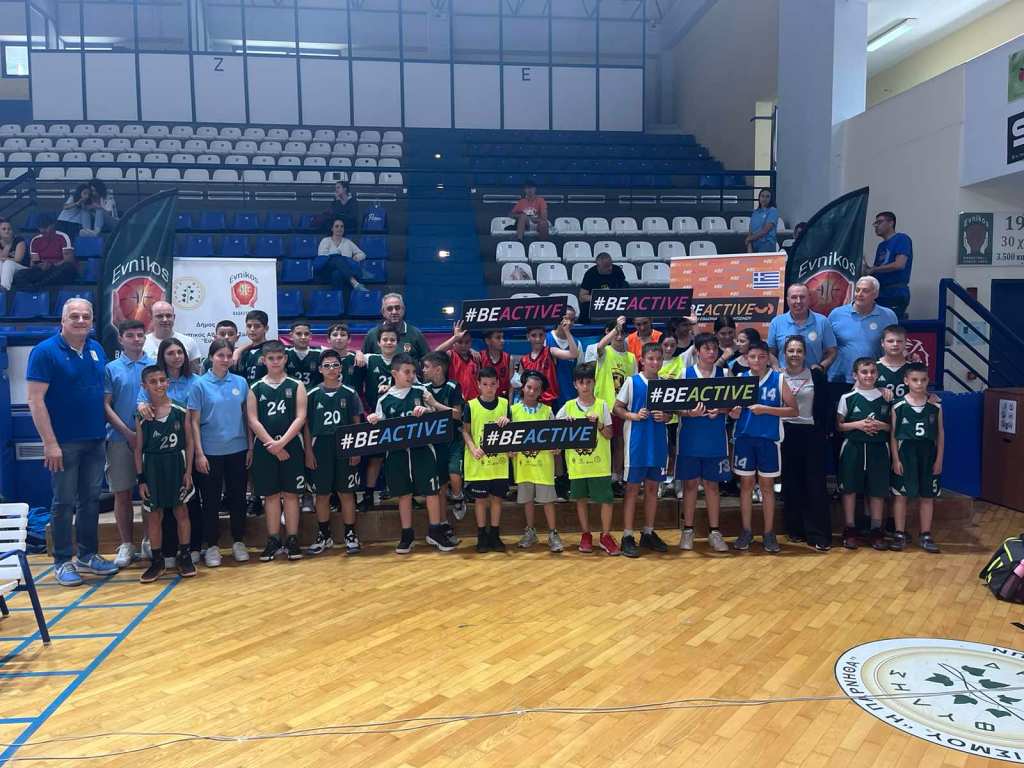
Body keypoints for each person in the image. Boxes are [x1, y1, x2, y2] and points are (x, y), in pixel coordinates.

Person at [26, 298, 119, 586]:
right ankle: (63, 560)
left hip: (95, 439)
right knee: (64, 502)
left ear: (92, 321)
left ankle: (88, 555)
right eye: (74, 316)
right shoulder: (45, 352)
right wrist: (50, 443)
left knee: (90, 501)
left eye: (86, 316)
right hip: (63, 443)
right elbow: (35, 401)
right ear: (62, 320)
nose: (81, 321)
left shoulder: (96, 349)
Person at [370, 353, 456, 554]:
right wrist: (374, 420)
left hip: (423, 450)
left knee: (431, 491)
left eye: (413, 372)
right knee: (403, 494)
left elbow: (439, 418)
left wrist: (427, 412)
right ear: (394, 373)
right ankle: (406, 534)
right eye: (406, 372)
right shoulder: (384, 399)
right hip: (397, 454)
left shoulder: (422, 391)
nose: (411, 376)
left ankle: (435, 530)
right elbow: (380, 428)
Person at [189, 338, 252, 567]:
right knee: (211, 501)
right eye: (220, 355)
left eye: (228, 355)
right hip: (210, 452)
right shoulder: (199, 385)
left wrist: (250, 446)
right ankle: (212, 545)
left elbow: (247, 417)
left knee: (238, 498)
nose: (225, 360)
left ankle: (238, 541)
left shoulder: (241, 382)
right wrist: (199, 453)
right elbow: (194, 422)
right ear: (211, 357)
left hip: (238, 449)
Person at [731, 341, 798, 554]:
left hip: (768, 440)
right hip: (744, 439)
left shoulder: (778, 379)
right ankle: (746, 531)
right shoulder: (740, 379)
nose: (757, 361)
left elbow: (794, 410)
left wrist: (766, 409)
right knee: (746, 485)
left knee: (767, 487)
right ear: (746, 359)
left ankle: (769, 533)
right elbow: (732, 410)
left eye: (761, 356)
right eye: (753, 357)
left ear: (768, 358)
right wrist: (733, 412)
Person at [138, 337, 201, 562]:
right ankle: (164, 554)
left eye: (179, 352)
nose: (176, 357)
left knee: (185, 507)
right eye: (170, 353)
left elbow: (192, 431)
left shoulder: (195, 383)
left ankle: (189, 551)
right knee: (159, 512)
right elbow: (138, 445)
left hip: (184, 455)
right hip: (156, 461)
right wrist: (140, 477)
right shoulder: (147, 399)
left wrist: (191, 465)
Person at [247, 340, 308, 562]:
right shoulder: (255, 387)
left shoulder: (296, 385)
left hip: (291, 445)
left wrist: (281, 443)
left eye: (279, 358)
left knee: (291, 494)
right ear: (263, 360)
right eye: (271, 358)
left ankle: (292, 539)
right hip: (265, 447)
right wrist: (272, 445)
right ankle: (273, 540)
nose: (275, 362)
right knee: (271, 495)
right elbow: (253, 420)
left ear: (285, 359)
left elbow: (301, 417)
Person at [303, 348, 364, 555]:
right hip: (320, 447)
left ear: (341, 368)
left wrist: (356, 449)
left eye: (335, 365)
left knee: (346, 492)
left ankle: (350, 534)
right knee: (322, 494)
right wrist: (308, 452)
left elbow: (356, 423)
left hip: (345, 445)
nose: (331, 369)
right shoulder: (311, 394)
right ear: (320, 369)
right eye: (327, 366)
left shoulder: (350, 393)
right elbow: (306, 426)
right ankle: (324, 535)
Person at [676, 332, 733, 553]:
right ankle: (688, 530)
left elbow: (734, 406)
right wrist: (688, 413)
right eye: (706, 348)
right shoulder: (685, 373)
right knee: (690, 485)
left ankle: (714, 532)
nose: (711, 352)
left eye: (714, 348)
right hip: (690, 439)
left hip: (715, 439)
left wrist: (721, 409)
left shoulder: (725, 374)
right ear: (697, 351)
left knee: (712, 485)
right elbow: (675, 407)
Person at [103, 319, 152, 568]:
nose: (136, 339)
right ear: (121, 339)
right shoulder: (111, 368)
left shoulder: (155, 365)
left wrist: (143, 435)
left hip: (151, 442)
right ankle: (126, 544)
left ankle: (149, 540)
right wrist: (128, 432)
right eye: (130, 335)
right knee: (122, 493)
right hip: (120, 439)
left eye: (140, 335)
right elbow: (106, 405)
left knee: (149, 493)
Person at [614, 342, 670, 558]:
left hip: (657, 443)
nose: (655, 362)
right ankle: (627, 535)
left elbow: (671, 413)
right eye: (651, 359)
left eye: (659, 359)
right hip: (636, 443)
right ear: (642, 360)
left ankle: (648, 532)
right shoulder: (632, 381)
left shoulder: (665, 384)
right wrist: (633, 416)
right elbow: (617, 408)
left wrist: (666, 416)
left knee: (652, 488)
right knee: (632, 489)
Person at [557, 363, 619, 555]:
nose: (585, 386)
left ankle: (605, 535)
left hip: (600, 465)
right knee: (581, 499)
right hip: (578, 466)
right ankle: (586, 534)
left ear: (594, 383)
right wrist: (564, 426)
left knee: (606, 500)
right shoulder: (568, 407)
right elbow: (555, 433)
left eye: (588, 382)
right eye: (581, 383)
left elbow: (609, 434)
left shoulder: (602, 405)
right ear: (575, 384)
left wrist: (599, 424)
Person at [779, 335, 832, 552]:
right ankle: (795, 529)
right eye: (791, 351)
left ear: (805, 354)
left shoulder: (816, 376)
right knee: (791, 483)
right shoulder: (777, 376)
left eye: (799, 351)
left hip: (811, 434)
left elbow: (825, 406)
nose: (795, 355)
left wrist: (824, 432)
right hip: (785, 433)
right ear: (784, 353)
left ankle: (818, 534)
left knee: (814, 484)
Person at [836, 357, 891, 551]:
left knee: (877, 490)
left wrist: (881, 425)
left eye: (872, 372)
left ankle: (876, 530)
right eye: (864, 372)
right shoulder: (847, 397)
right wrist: (858, 425)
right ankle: (850, 529)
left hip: (878, 448)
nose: (869, 375)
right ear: (855, 375)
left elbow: (892, 426)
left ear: (877, 374)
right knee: (849, 489)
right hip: (853, 447)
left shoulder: (886, 397)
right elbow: (839, 425)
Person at [890, 362, 943, 554]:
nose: (919, 384)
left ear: (928, 380)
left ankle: (926, 534)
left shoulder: (935, 406)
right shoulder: (898, 406)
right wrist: (896, 460)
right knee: (901, 495)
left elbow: (940, 434)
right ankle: (899, 533)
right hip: (906, 453)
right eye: (915, 380)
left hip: (928, 453)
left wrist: (939, 459)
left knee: (927, 496)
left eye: (923, 380)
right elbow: (893, 435)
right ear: (906, 381)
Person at [512, 372, 563, 553]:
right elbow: (508, 438)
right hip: (523, 465)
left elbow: (556, 437)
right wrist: (509, 450)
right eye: (529, 387)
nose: (532, 391)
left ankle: (553, 533)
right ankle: (530, 531)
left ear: (541, 391)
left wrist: (557, 448)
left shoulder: (547, 411)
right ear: (523, 387)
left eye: (536, 389)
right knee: (527, 501)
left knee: (548, 501)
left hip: (543, 465)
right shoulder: (513, 411)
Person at [462, 367, 511, 553]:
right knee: (480, 501)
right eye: (485, 384)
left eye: (492, 384)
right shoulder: (471, 405)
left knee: (497, 499)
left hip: (499, 463)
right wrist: (473, 448)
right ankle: (482, 535)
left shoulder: (505, 405)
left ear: (498, 384)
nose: (489, 388)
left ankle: (495, 534)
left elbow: (512, 432)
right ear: (478, 385)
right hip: (479, 463)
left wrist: (508, 423)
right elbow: (465, 431)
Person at [586, 316, 636, 493]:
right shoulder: (604, 352)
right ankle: (600, 476)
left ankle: (616, 478)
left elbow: (634, 383)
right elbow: (599, 347)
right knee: (602, 443)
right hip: (603, 406)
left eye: (623, 333)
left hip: (622, 408)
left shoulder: (631, 357)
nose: (619, 337)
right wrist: (616, 328)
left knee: (620, 443)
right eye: (616, 333)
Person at [421, 351, 467, 531]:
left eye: (426, 367)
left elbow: (457, 414)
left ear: (438, 369)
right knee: (440, 486)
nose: (423, 370)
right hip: (434, 443)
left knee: (454, 474)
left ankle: (458, 496)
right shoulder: (423, 387)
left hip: (453, 439)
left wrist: (435, 404)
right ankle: (443, 523)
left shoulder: (453, 386)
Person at [355, 323, 399, 511]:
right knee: (375, 458)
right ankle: (368, 494)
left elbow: (413, 383)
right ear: (378, 342)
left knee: (398, 457)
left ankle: (403, 493)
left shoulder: (404, 361)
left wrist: (392, 388)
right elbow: (348, 354)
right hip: (374, 416)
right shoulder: (369, 358)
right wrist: (357, 352)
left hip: (397, 416)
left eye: (392, 340)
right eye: (385, 339)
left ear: (397, 342)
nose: (389, 342)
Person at [767, 283, 837, 371]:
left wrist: (821, 367)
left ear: (809, 299)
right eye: (794, 297)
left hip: (813, 377)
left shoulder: (822, 322)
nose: (798, 301)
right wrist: (776, 368)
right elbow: (771, 352)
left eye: (802, 297)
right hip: (784, 377)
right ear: (788, 300)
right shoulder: (776, 322)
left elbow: (832, 352)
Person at [865, 211, 913, 321]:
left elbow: (899, 264)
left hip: (895, 292)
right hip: (881, 292)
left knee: (889, 325)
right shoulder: (881, 246)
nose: (876, 226)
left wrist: (874, 269)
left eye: (879, 222)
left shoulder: (901, 238)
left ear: (891, 223)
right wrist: (866, 268)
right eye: (875, 223)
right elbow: (876, 271)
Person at [517, 320, 578, 406]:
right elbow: (521, 385)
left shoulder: (551, 351)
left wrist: (567, 331)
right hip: (532, 403)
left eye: (541, 335)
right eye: (534, 335)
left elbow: (573, 354)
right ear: (528, 337)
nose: (538, 339)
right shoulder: (524, 360)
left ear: (545, 336)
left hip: (551, 402)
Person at [12, 213, 77, 291]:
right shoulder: (35, 240)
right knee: (20, 274)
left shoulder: (63, 237)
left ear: (52, 225)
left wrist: (52, 265)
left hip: (58, 268)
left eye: (46, 227)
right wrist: (41, 265)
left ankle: (37, 286)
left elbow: (69, 260)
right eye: (41, 228)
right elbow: (33, 263)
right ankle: (33, 288)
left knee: (67, 267)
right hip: (44, 270)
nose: (43, 230)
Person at [362, 293, 431, 360]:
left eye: (397, 308)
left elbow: (428, 361)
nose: (394, 312)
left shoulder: (416, 334)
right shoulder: (372, 334)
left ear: (403, 310)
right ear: (383, 312)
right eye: (389, 309)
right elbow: (362, 360)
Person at [314, 218, 367, 295]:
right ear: (332, 229)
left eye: (342, 226)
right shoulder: (325, 241)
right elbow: (323, 257)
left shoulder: (348, 242)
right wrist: (343, 259)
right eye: (337, 226)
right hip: (326, 271)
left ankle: (338, 300)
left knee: (337, 274)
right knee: (336, 258)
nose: (339, 228)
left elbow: (362, 254)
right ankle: (354, 281)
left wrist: (356, 257)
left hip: (341, 274)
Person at [144, 301, 200, 371]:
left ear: (174, 317)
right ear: (151, 318)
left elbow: (195, 372)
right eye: (159, 316)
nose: (165, 319)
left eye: (168, 316)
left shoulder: (189, 342)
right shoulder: (143, 343)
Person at [434, 321, 480, 403]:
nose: (463, 345)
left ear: (471, 342)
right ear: (454, 343)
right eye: (460, 342)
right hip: (456, 402)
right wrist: (455, 338)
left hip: (474, 402)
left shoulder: (475, 357)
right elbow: (435, 354)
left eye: (467, 342)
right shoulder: (450, 355)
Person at [546, 306, 580, 413]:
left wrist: (567, 332)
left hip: (569, 396)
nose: (569, 322)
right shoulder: (546, 339)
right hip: (548, 396)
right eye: (566, 318)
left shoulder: (577, 344)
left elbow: (580, 373)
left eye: (572, 320)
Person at [578, 251, 627, 321]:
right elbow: (582, 297)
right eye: (606, 266)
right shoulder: (590, 274)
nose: (610, 268)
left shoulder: (617, 270)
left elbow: (625, 289)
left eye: (611, 265)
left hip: (616, 301)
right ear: (598, 266)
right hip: (597, 302)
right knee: (585, 307)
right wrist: (601, 298)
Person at [236, 309, 270, 385]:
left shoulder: (272, 350)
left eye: (257, 326)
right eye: (249, 326)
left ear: (266, 328)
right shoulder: (243, 353)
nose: (252, 329)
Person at [876, 324, 910, 400]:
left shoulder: (912, 368)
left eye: (899, 341)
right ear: (882, 343)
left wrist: (932, 396)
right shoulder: (873, 367)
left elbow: (923, 394)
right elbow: (857, 393)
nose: (895, 344)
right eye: (890, 341)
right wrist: (876, 390)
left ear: (905, 343)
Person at [286, 320, 321, 389]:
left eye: (306, 334)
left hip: (313, 393)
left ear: (310, 336)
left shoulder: (320, 353)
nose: (303, 337)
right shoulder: (284, 353)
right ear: (291, 336)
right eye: (299, 334)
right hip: (290, 393)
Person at [745, 188, 779, 253]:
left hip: (767, 245)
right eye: (762, 196)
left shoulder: (773, 211)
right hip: (754, 245)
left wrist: (750, 238)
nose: (764, 199)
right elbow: (750, 231)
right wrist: (749, 244)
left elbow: (765, 230)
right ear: (759, 198)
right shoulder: (755, 212)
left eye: (767, 196)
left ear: (771, 199)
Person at [482, 329, 511, 400]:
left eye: (502, 337)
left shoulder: (509, 359)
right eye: (498, 338)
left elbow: (511, 385)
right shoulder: (480, 357)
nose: (502, 341)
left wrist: (510, 403)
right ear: (487, 341)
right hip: (485, 399)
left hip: (502, 399)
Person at [0, 217, 27, 290]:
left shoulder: (19, 240)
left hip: (21, 268)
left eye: (9, 229)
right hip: (7, 267)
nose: (7, 231)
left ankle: (4, 288)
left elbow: (18, 259)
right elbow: (1, 259)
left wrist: (9, 243)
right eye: (4, 229)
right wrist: (7, 245)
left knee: (8, 263)